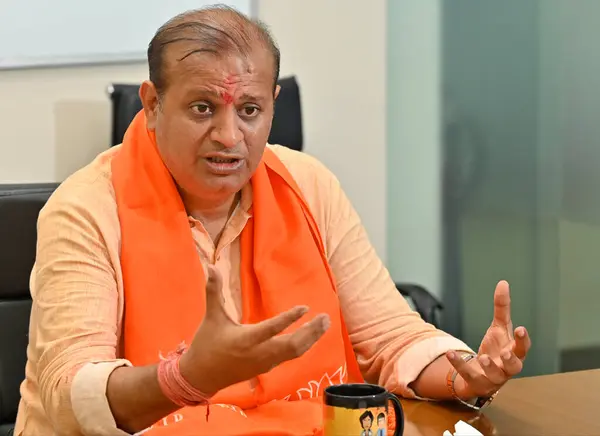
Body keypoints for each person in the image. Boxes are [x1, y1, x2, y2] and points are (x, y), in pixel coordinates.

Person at [14, 5, 531, 436]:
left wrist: (466, 377)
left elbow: (390, 337)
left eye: (250, 110)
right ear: (152, 104)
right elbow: (69, 395)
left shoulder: (308, 185)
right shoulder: (84, 209)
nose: (228, 136)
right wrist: (185, 378)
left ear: (272, 105)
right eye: (201, 108)